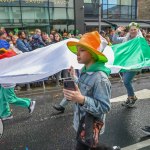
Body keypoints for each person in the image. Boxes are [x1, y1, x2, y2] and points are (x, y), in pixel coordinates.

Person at [63, 31, 111, 149]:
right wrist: (74, 77)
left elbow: (104, 107)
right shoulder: (85, 71)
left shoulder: (100, 78)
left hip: (90, 124)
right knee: (91, 145)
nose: (77, 54)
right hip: (81, 122)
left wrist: (82, 99)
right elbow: (83, 87)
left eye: (82, 50)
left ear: (93, 54)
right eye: (77, 50)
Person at [112, 22, 143, 108]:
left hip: (134, 65)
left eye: (135, 29)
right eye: (131, 30)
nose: (133, 31)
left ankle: (132, 98)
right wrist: (117, 31)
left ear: (137, 30)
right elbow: (115, 40)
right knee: (127, 81)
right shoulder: (125, 38)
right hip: (125, 64)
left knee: (126, 81)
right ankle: (131, 97)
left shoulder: (140, 39)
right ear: (129, 30)